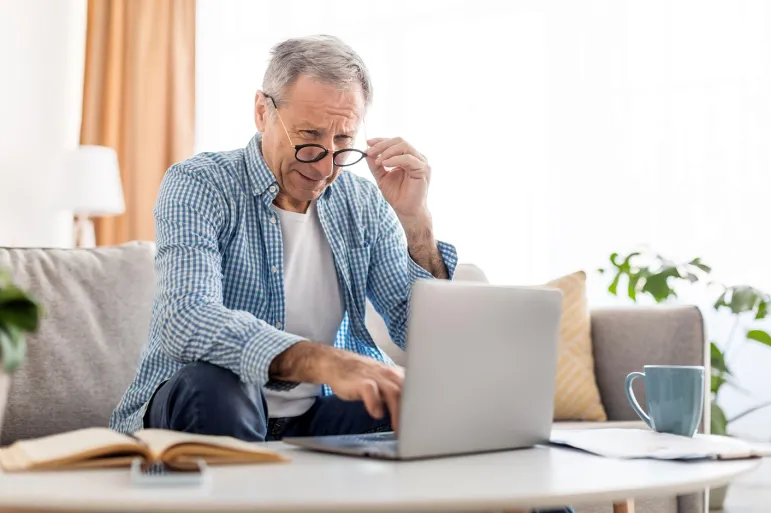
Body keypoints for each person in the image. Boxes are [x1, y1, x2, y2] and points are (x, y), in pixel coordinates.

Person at [110, 35, 456, 441]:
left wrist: (417, 223)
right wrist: (323, 361)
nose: (326, 166)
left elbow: (422, 335)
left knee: (421, 402)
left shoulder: (362, 202)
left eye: (343, 141)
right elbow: (186, 319)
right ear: (262, 111)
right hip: (208, 403)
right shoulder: (200, 183)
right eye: (309, 136)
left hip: (312, 417)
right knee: (218, 388)